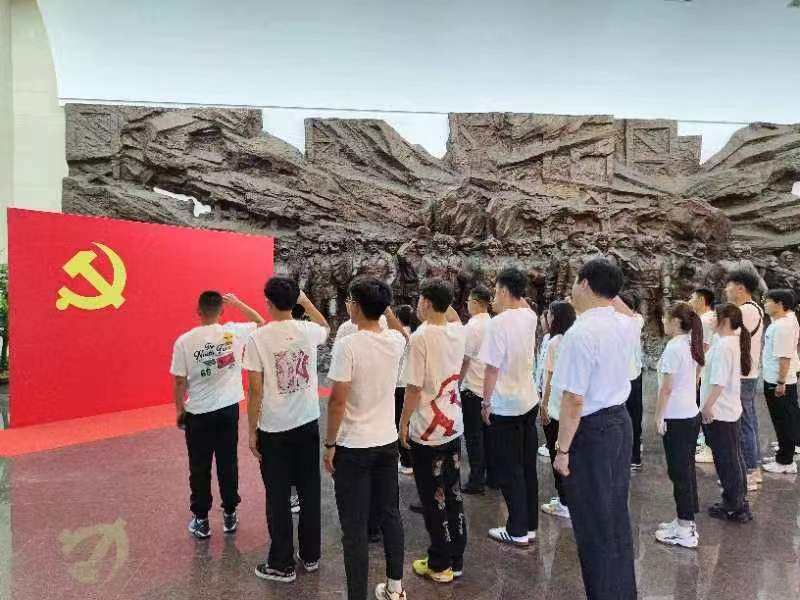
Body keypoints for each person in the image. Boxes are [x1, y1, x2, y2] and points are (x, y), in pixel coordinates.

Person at [551, 257, 642, 600]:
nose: (572, 289)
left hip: (591, 432)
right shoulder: (624, 324)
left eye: (576, 281)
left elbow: (573, 400)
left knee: (592, 525)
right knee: (615, 518)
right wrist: (609, 288)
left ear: (585, 284)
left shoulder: (580, 333)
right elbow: (631, 314)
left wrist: (562, 450)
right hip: (619, 424)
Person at [324, 277, 409, 600]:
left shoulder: (348, 345)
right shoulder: (395, 341)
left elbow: (337, 401)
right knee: (390, 515)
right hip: (386, 442)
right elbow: (402, 333)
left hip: (353, 445)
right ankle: (395, 588)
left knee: (354, 528)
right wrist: (383, 305)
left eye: (350, 301)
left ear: (356, 307)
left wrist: (329, 444)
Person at [243, 277, 330, 583]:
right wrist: (305, 302)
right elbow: (325, 327)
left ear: (267, 302)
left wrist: (251, 430)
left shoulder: (258, 339)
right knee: (309, 490)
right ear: (295, 302)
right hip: (307, 423)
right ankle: (311, 555)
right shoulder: (307, 330)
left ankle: (281, 563)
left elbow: (255, 391)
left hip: (274, 428)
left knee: (278, 496)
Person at [170, 291, 264, 539]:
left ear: (198, 311)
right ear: (222, 311)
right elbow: (260, 322)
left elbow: (179, 381)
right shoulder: (232, 332)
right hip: (228, 411)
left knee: (199, 466)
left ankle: (201, 519)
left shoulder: (184, 341)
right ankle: (230, 513)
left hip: (198, 414)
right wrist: (238, 303)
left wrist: (180, 410)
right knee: (228, 462)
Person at [399, 278, 467, 583]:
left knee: (433, 497)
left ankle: (440, 564)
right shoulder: (458, 331)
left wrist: (403, 422)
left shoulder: (421, 337)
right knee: (453, 491)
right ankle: (456, 557)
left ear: (426, 302)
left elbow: (413, 388)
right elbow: (450, 313)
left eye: (420, 298)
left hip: (428, 429)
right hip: (453, 425)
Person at [479, 267, 540, 546]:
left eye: (496, 291)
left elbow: (491, 369)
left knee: (510, 468)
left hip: (506, 404)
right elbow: (522, 302)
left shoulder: (498, 324)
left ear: (504, 291)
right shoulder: (530, 316)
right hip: (528, 400)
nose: (493, 297)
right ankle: (529, 525)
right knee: (527, 466)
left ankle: (516, 529)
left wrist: (486, 402)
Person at [653, 303, 705, 549]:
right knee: (685, 470)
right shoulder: (689, 343)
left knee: (679, 472)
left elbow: (666, 388)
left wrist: (659, 416)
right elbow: (695, 377)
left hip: (677, 417)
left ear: (675, 321)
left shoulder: (675, 347)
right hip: (689, 413)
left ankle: (685, 529)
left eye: (665, 318)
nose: (662, 321)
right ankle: (685, 520)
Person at [701, 303, 753, 523]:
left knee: (727, 460)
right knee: (733, 457)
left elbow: (719, 382)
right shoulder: (728, 341)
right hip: (728, 409)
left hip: (720, 411)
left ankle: (734, 505)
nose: (711, 320)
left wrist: (707, 406)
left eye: (715, 316)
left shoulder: (724, 346)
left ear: (724, 320)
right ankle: (738, 500)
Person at [724, 269, 764, 491]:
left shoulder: (746, 311)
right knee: (749, 420)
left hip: (742, 375)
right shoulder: (754, 308)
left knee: (744, 423)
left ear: (740, 289)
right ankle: (752, 466)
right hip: (748, 373)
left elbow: (728, 336)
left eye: (729, 286)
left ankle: (750, 471)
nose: (726, 290)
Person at [539, 300, 576, 520]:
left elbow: (550, 376)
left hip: (555, 405)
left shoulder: (555, 342)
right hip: (570, 406)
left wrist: (543, 404)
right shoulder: (575, 340)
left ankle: (564, 502)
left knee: (557, 453)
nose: (548, 318)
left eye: (551, 315)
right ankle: (570, 498)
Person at [761, 289, 800, 474]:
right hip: (775, 378)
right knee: (784, 420)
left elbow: (784, 358)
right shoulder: (780, 323)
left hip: (778, 381)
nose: (765, 304)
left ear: (779, 304)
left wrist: (781, 382)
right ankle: (784, 454)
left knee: (783, 421)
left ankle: (785, 461)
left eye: (768, 301)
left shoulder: (783, 327)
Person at [459, 284, 493, 494]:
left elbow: (464, 359)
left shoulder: (472, 327)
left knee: (473, 437)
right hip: (490, 389)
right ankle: (491, 477)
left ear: (475, 302)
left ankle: (476, 480)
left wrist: (456, 383)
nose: (467, 305)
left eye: (468, 301)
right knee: (488, 436)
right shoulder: (494, 323)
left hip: (472, 387)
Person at [689, 287, 717, 464]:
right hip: (706, 370)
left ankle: (710, 447)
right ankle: (707, 441)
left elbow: (704, 349)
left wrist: (696, 374)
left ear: (701, 300)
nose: (690, 301)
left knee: (703, 405)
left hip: (704, 371)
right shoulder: (707, 318)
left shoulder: (705, 320)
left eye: (692, 298)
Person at [620, 290, 645, 470]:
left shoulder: (629, 321)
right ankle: (634, 454)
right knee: (634, 415)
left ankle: (632, 454)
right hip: (634, 374)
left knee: (627, 417)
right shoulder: (637, 320)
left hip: (625, 377)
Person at [394, 304, 419, 476]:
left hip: (400, 385)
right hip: (412, 384)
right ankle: (413, 459)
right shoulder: (417, 334)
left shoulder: (397, 336)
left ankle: (406, 461)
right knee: (412, 423)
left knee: (400, 423)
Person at [535, 308, 553, 459]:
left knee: (549, 416)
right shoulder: (547, 337)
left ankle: (551, 444)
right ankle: (549, 443)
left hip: (548, 385)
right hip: (542, 382)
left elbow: (549, 368)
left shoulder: (554, 340)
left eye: (544, 318)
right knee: (545, 416)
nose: (541, 322)